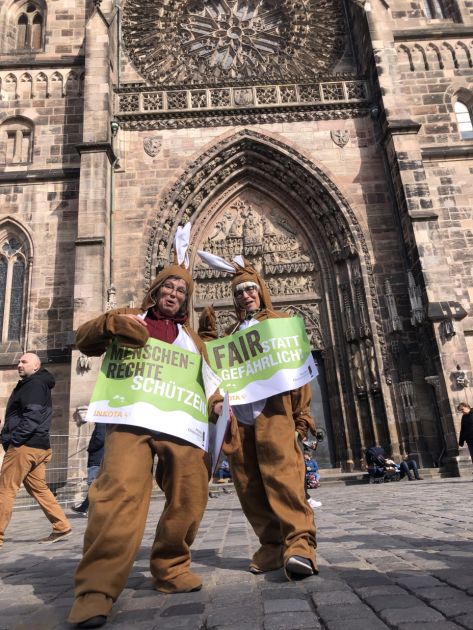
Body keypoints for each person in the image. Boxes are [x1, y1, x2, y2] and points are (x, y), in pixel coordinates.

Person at [68, 229, 218, 629]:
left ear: (186, 301)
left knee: (190, 492)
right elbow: (84, 340)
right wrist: (109, 324)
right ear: (154, 291)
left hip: (179, 424)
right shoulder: (129, 318)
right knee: (117, 495)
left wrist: (218, 403)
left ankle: (170, 566)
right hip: (130, 421)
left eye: (180, 291)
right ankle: (96, 590)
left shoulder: (191, 340)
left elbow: (209, 379)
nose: (173, 294)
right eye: (167, 287)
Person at [199, 255, 317, 581]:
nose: (245, 296)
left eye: (250, 290)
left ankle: (300, 546)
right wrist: (207, 339)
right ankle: (272, 545)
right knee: (249, 486)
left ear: (261, 290)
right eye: (238, 293)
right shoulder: (232, 333)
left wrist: (302, 418)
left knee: (285, 481)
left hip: (275, 414)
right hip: (242, 420)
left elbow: (299, 374)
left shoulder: (279, 323)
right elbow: (214, 374)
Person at [0, 353, 72, 548]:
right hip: (38, 445)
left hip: (25, 446)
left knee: (5, 489)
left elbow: (32, 416)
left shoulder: (33, 385)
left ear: (36, 366)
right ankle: (61, 525)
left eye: (24, 362)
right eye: (19, 361)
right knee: (38, 488)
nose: (19, 364)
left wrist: (15, 439)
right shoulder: (36, 383)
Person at [71, 423, 106, 516]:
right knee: (96, 485)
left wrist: (91, 448)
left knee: (93, 485)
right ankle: (84, 507)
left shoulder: (101, 423)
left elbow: (100, 438)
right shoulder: (109, 423)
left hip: (97, 458)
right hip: (101, 458)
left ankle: (89, 509)